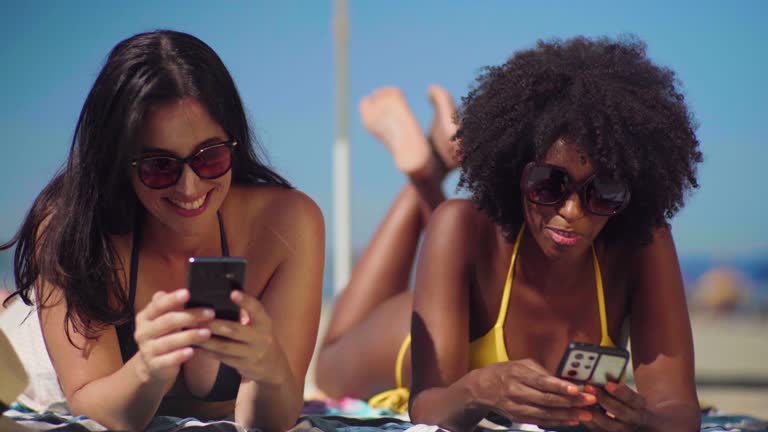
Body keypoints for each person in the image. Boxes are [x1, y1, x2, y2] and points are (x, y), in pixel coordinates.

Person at [317, 35, 702, 431]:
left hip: (469, 286)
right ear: (514, 172)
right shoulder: (460, 224)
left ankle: (433, 161)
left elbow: (678, 409)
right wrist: (480, 389)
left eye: (602, 193)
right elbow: (429, 406)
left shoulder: (643, 243)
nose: (571, 211)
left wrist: (645, 422)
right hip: (410, 336)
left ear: (630, 191)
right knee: (330, 365)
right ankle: (425, 172)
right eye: (549, 185)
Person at [1, 30, 324, 432]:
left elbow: (272, 419)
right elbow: (92, 410)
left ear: (234, 144)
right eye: (159, 166)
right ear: (119, 160)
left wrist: (270, 369)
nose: (189, 188)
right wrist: (148, 369)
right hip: (39, 353)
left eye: (210, 158)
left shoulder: (286, 225)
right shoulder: (73, 232)